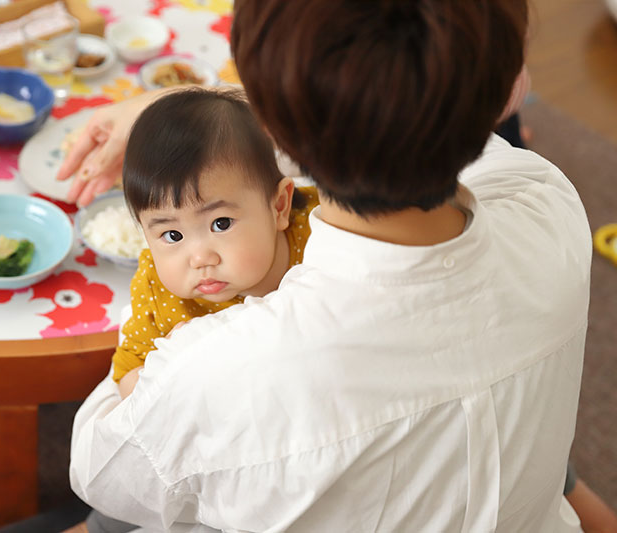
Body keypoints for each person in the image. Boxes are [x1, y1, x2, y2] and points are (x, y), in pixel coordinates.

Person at [63, 1, 593, 530]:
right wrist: (206, 115)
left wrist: (188, 104)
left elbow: (100, 466)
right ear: (510, 91)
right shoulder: (547, 203)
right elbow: (397, 127)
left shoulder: (215, 372)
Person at [110, 88, 318, 399]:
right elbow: (128, 369)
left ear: (279, 207)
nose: (199, 258)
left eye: (220, 224)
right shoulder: (157, 290)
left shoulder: (319, 234)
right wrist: (165, 375)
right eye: (172, 236)